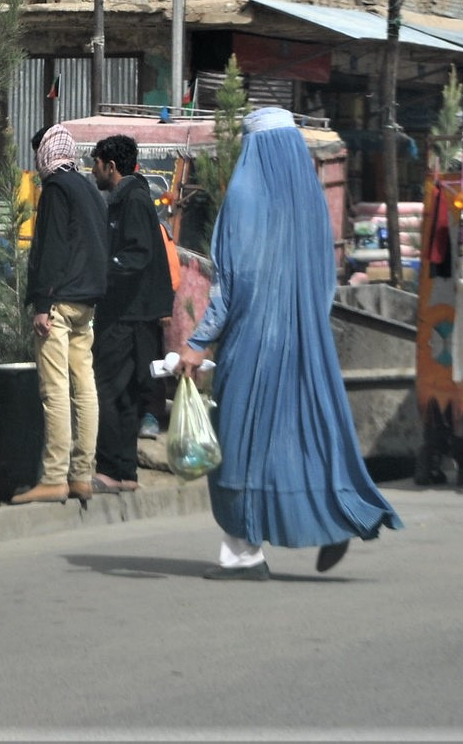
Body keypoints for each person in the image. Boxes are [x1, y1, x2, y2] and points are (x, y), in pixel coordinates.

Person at [177, 108, 403, 579]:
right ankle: (335, 515)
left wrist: (197, 342)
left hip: (251, 345)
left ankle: (245, 553)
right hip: (304, 342)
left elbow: (229, 284)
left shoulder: (245, 194)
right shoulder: (310, 199)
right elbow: (325, 278)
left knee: (238, 446)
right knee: (297, 439)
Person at [12, 124, 108, 507]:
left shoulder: (55, 189)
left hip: (58, 302)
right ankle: (82, 476)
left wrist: (41, 304)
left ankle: (54, 478)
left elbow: (50, 248)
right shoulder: (88, 187)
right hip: (87, 302)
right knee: (85, 388)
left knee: (55, 391)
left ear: (45, 152)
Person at [91, 135, 172, 494]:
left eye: (96, 163)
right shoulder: (128, 198)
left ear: (111, 166)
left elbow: (137, 255)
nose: (93, 170)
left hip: (127, 314)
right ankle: (125, 473)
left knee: (109, 389)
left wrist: (101, 270)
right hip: (130, 313)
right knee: (124, 392)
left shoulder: (133, 200)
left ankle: (111, 469)